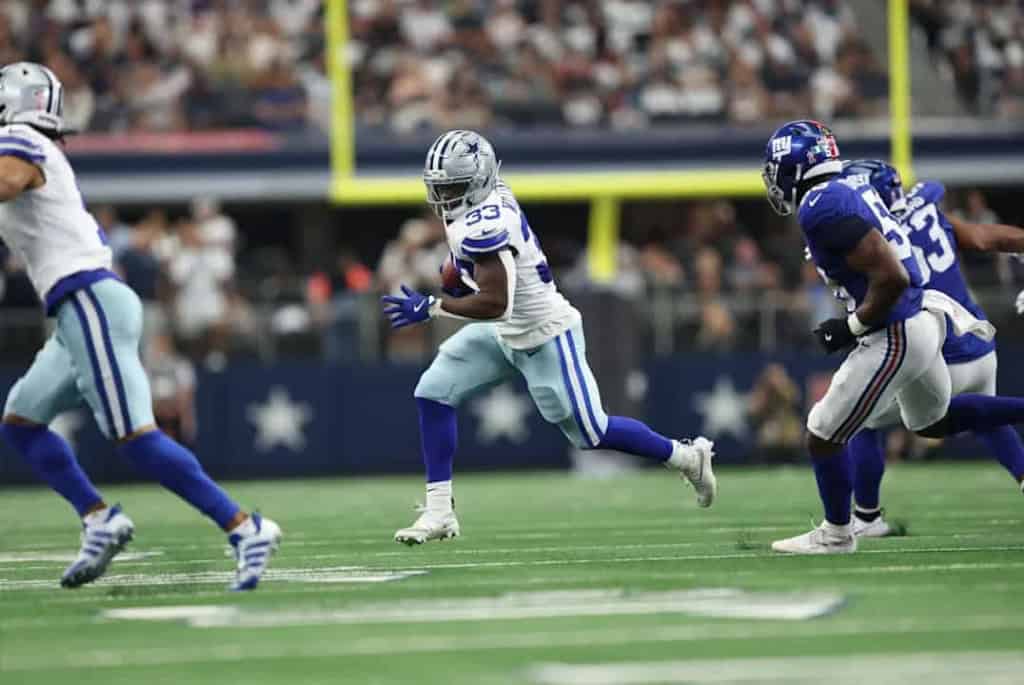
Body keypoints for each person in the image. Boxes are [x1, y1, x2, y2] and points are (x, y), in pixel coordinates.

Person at [0, 63, 281, 590]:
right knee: (21, 422)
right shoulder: (30, 144)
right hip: (77, 307)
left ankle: (245, 527)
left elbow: (7, 181)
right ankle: (99, 518)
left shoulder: (19, 138)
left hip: (88, 300)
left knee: (135, 437)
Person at [381, 129, 716, 545]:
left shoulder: (484, 222)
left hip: (545, 336)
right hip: (504, 333)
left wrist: (433, 306)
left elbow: (496, 302)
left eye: (453, 185)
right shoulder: (481, 205)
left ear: (478, 180)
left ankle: (687, 458)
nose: (444, 195)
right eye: (440, 186)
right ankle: (438, 512)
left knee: (591, 433)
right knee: (432, 391)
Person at [761, 120, 1024, 555]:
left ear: (794, 165)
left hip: (898, 328)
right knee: (933, 421)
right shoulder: (846, 189)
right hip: (923, 318)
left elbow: (893, 276)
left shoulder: (822, 204)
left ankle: (838, 534)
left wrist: (851, 326)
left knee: (822, 431)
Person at [840, 160, 1024, 537]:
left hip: (939, 355)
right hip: (981, 345)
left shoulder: (873, 238)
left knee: (860, 417)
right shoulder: (926, 209)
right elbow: (984, 239)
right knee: (988, 418)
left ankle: (867, 518)